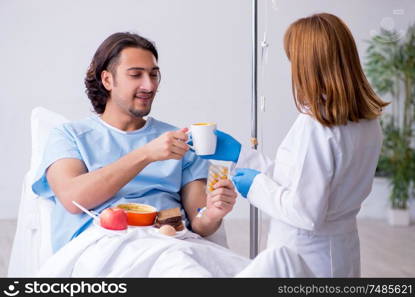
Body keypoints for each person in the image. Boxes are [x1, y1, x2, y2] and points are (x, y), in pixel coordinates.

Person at [198, 13, 389, 277]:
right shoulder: (366, 121)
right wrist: (241, 155)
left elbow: (305, 213)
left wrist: (255, 187)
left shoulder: (318, 125)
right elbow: (305, 180)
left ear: (309, 64)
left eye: (293, 60)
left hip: (307, 255)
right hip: (341, 249)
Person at [32, 32, 237, 253]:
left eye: (154, 75)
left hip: (173, 242)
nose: (149, 86)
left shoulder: (180, 141)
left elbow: (199, 221)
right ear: (107, 80)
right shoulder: (69, 135)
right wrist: (147, 154)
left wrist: (213, 213)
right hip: (103, 245)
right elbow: (73, 199)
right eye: (136, 75)